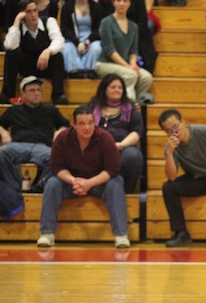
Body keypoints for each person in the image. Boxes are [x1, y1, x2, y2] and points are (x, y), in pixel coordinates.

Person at [37, 105, 130, 249]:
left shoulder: (105, 138)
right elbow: (56, 167)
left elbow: (113, 169)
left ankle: (121, 235)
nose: (87, 127)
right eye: (82, 124)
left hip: (98, 182)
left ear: (95, 123)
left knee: (116, 183)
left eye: (90, 123)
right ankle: (47, 233)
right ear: (73, 124)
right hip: (71, 182)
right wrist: (73, 180)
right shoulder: (62, 139)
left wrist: (89, 183)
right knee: (52, 183)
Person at [0, 76, 70, 194]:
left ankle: (38, 187)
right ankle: (13, 187)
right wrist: (3, 132)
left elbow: (67, 126)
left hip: (43, 147)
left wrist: (60, 131)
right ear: (23, 93)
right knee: (1, 153)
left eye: (39, 90)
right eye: (32, 90)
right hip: (18, 146)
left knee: (57, 157)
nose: (36, 93)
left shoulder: (51, 110)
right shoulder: (14, 111)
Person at [159, 109, 206, 247]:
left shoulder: (204, 132)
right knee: (169, 187)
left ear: (183, 122)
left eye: (175, 127)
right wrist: (169, 153)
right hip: (196, 178)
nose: (174, 132)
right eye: (168, 131)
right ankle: (181, 232)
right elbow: (172, 177)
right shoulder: (171, 147)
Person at [1, 0, 68, 105]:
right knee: (11, 54)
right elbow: (9, 45)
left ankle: (58, 95)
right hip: (26, 66)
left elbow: (59, 41)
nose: (33, 14)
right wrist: (17, 21)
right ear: (22, 14)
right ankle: (7, 94)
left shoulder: (49, 21)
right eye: (28, 11)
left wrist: (48, 51)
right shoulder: (18, 27)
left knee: (57, 55)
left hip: (45, 65)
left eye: (35, 10)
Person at [88, 73, 144, 194]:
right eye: (113, 87)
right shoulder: (93, 106)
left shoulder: (130, 107)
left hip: (122, 146)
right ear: (104, 89)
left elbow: (137, 131)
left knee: (133, 156)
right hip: (95, 145)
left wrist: (121, 145)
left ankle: (124, 192)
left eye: (120, 87)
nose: (117, 90)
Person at [96, 0, 153, 102]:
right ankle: (122, 104)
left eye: (125, 1)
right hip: (105, 64)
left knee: (147, 77)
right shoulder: (106, 22)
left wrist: (133, 65)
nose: (121, 4)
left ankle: (134, 104)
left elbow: (133, 50)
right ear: (114, 2)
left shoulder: (133, 26)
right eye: (119, 0)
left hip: (124, 65)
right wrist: (129, 67)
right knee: (131, 75)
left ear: (129, 3)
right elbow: (110, 50)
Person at [60, 0, 104, 77]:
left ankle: (90, 75)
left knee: (97, 48)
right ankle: (75, 76)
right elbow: (65, 30)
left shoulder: (97, 7)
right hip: (73, 41)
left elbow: (99, 29)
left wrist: (88, 41)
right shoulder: (66, 8)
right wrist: (77, 43)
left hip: (92, 41)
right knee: (67, 49)